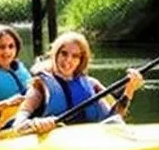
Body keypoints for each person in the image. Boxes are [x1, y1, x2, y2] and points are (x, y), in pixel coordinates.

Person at [13, 31, 142, 135]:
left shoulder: (91, 84)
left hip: (88, 143)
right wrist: (36, 123)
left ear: (81, 60)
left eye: (75, 56)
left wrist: (129, 90)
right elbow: (18, 125)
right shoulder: (41, 85)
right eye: (64, 53)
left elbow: (114, 118)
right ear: (56, 54)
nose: (68, 60)